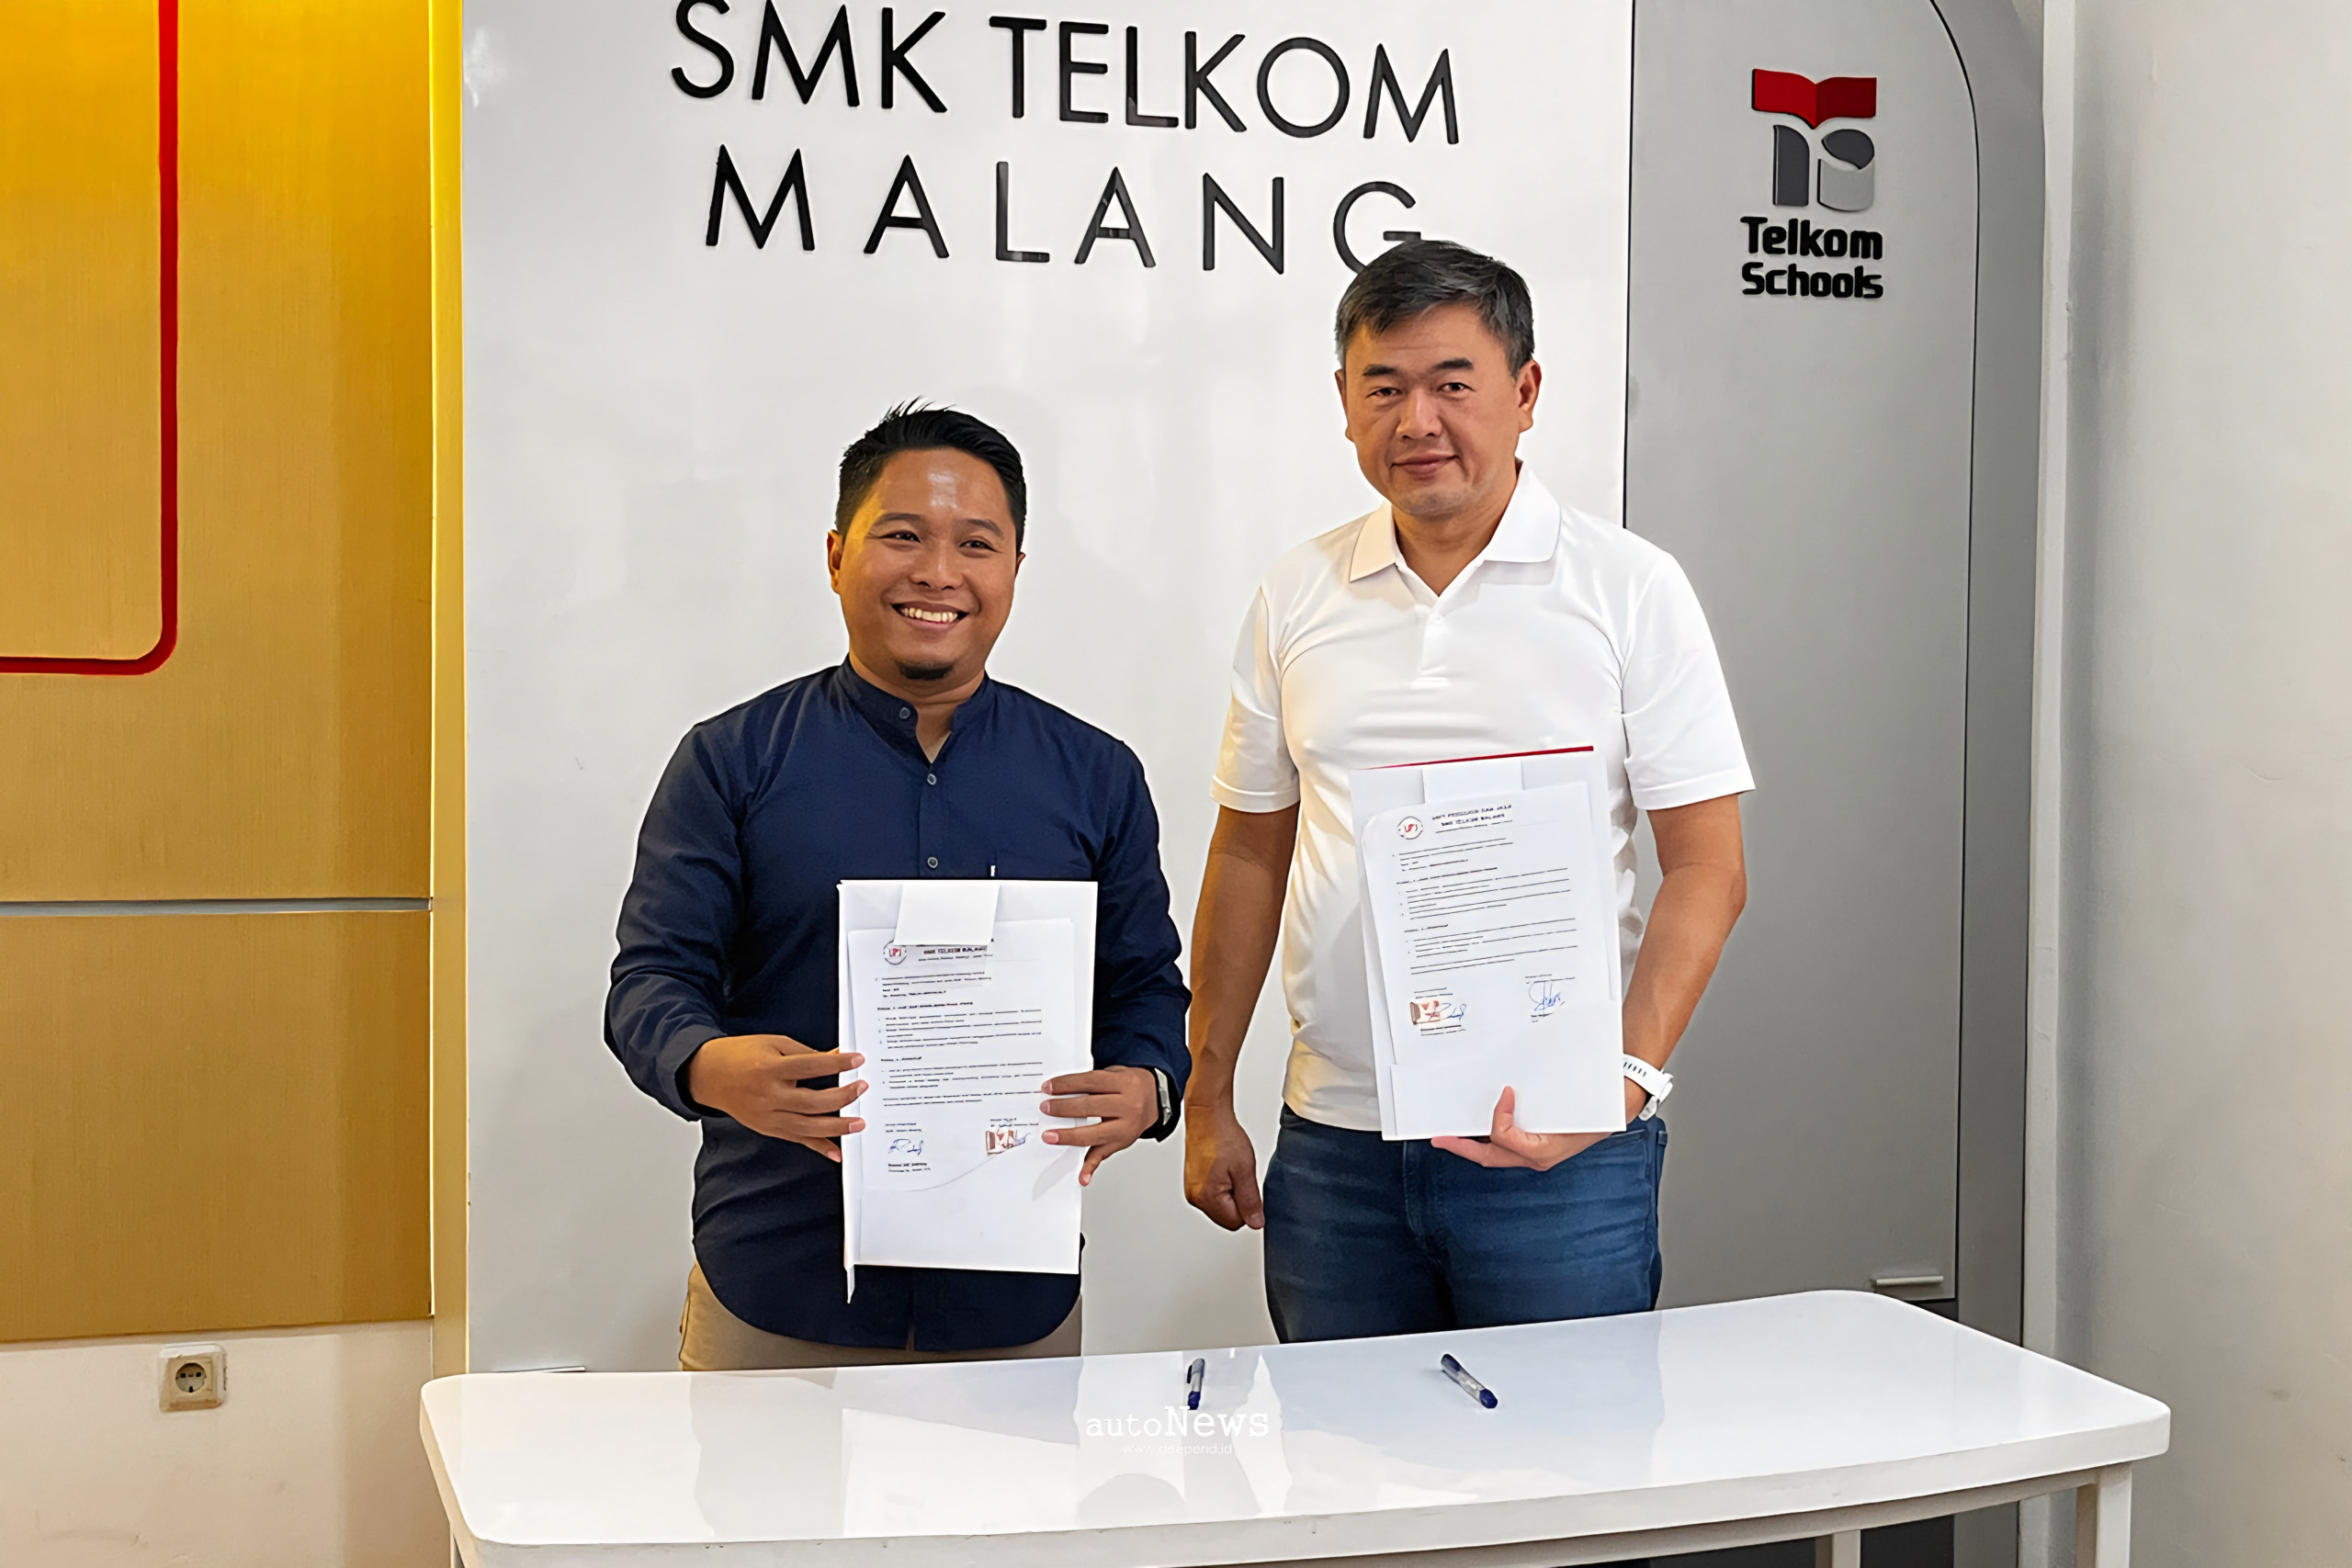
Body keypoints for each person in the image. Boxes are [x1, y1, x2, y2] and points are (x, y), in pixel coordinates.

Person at [1184, 241, 1753, 1343]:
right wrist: (1209, 1096)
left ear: (1525, 392)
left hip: (1560, 1150)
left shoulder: (1628, 588)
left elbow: (1708, 867)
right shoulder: (1296, 592)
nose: (1418, 422)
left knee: (1562, 1447)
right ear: (1343, 403)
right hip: (1336, 1147)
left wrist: (1619, 1084)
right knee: (1343, 1451)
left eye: (1453, 384)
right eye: (1383, 388)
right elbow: (1248, 853)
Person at [606, 403, 1189, 1371]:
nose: (938, 573)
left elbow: (1145, 987)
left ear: (1014, 571)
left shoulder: (1096, 774)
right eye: (903, 536)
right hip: (779, 1284)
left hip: (1013, 1301)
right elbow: (650, 983)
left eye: (976, 544)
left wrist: (1148, 1086)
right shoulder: (730, 761)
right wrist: (712, 1068)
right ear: (837, 555)